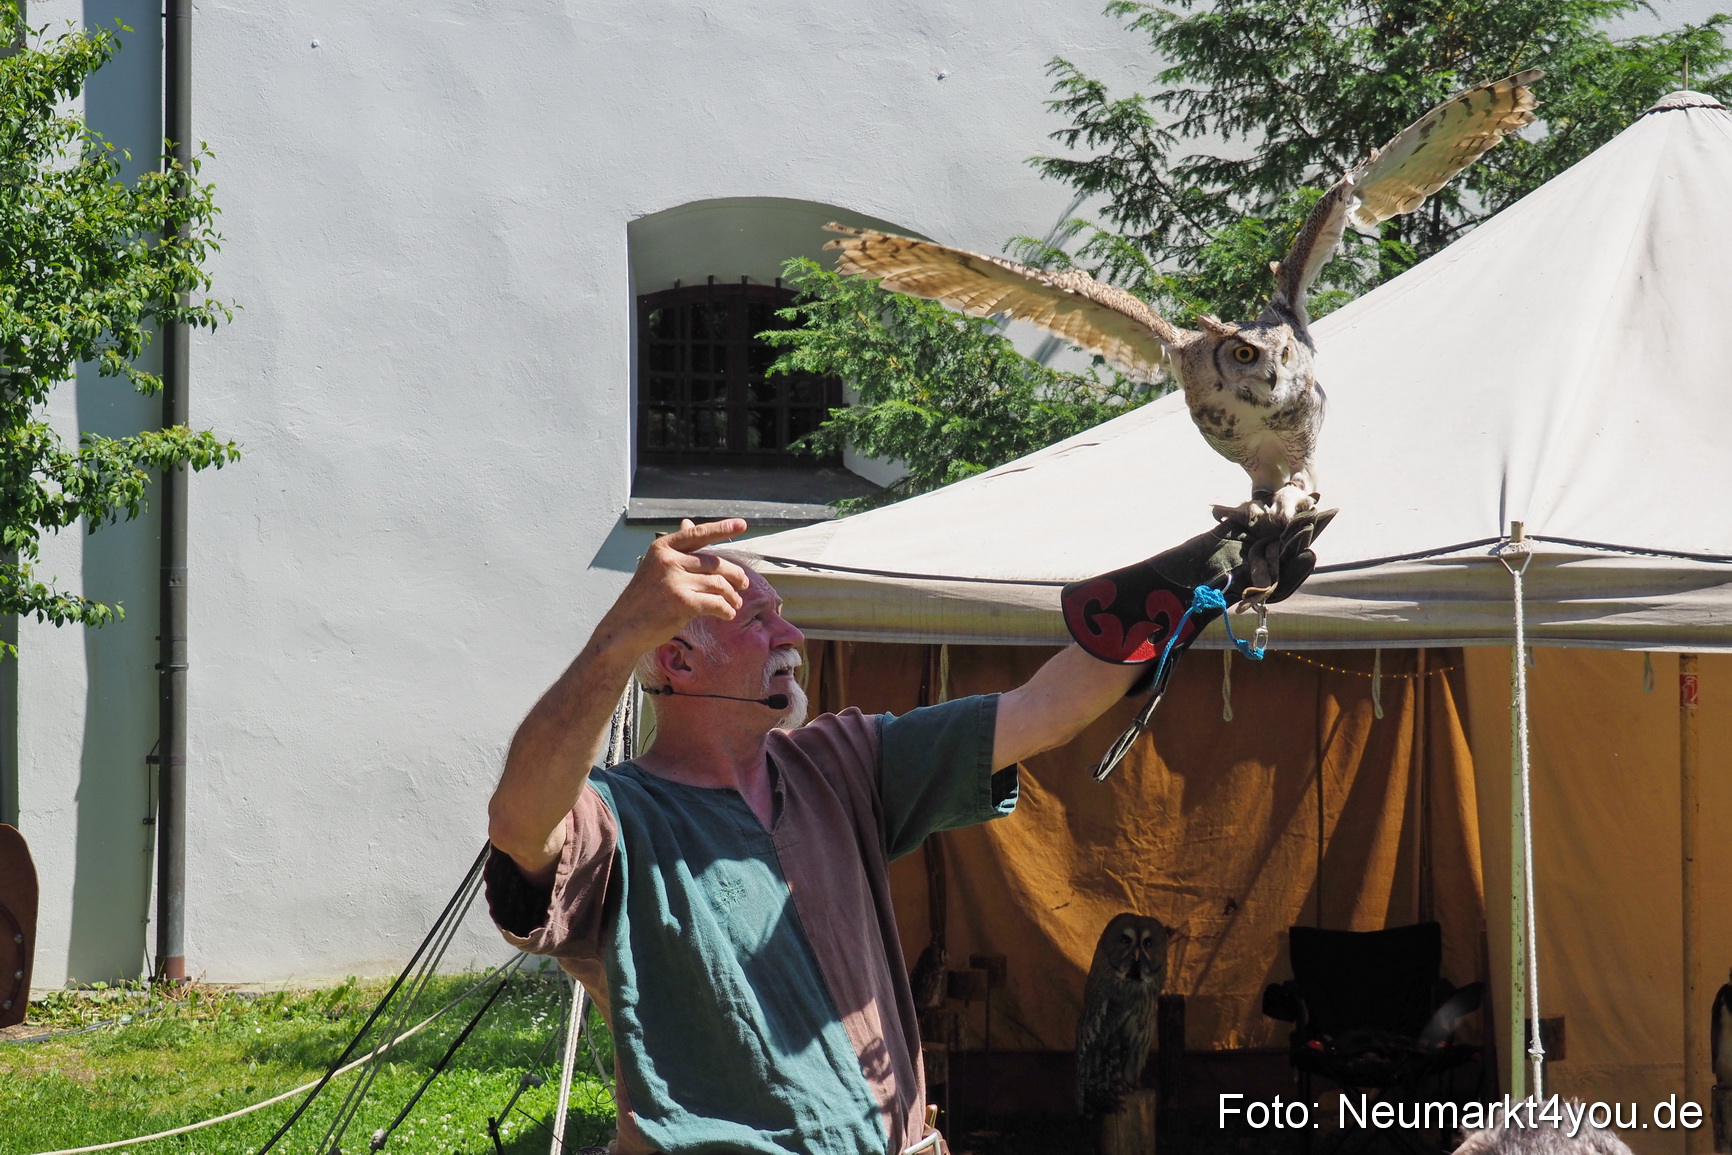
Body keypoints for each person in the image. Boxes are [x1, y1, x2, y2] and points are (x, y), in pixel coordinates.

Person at [484, 513, 1317, 1154]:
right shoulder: (620, 816)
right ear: (676, 662)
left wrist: (1198, 580)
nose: (791, 637)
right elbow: (519, 822)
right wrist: (616, 635)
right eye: (756, 620)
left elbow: (1045, 710)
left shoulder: (841, 762)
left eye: (783, 615)